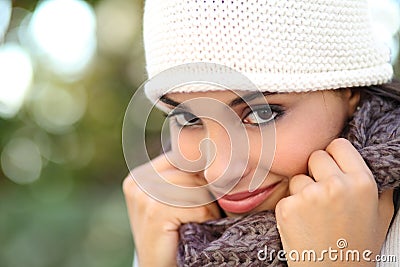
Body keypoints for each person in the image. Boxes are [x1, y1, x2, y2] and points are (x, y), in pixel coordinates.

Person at [123, 0, 400, 266]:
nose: (219, 173)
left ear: (349, 91)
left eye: (261, 113)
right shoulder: (176, 232)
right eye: (189, 118)